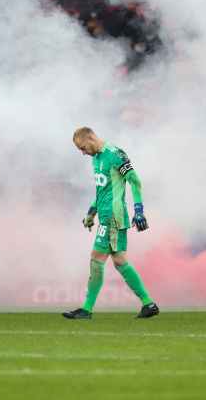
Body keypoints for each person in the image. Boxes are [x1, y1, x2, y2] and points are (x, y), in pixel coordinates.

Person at [63, 127, 159, 319]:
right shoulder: (96, 159)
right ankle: (149, 304)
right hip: (105, 216)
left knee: (96, 257)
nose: (83, 153)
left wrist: (139, 210)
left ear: (90, 138)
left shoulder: (116, 154)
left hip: (113, 218)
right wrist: (91, 212)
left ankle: (86, 309)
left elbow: (135, 180)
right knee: (120, 261)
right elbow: (102, 191)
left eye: (83, 147)